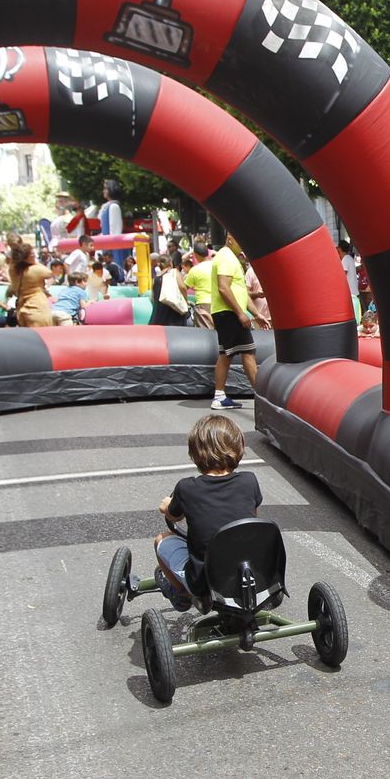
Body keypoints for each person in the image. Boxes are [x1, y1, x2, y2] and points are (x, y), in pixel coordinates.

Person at [150, 414, 262, 612]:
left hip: (205, 579)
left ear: (194, 454)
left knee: (161, 539)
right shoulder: (250, 481)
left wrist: (166, 506)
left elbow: (174, 516)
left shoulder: (186, 488)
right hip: (250, 572)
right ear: (239, 449)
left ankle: (183, 594)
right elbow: (251, 519)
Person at [208, 235, 258, 409]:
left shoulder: (231, 258)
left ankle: (219, 396)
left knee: (226, 354)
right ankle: (261, 396)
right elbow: (224, 287)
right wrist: (240, 314)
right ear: (230, 239)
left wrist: (256, 313)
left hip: (227, 313)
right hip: (229, 313)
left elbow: (241, 291)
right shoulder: (226, 257)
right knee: (248, 352)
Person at [10, 243, 55, 328]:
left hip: (21, 307)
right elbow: (49, 273)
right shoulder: (34, 269)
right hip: (37, 307)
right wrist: (35, 262)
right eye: (31, 254)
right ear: (25, 258)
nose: (34, 255)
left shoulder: (14, 271)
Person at [338, 239, 360, 321]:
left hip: (350, 292)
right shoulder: (349, 258)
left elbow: (343, 274)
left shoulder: (346, 259)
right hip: (353, 291)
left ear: (340, 249)